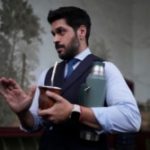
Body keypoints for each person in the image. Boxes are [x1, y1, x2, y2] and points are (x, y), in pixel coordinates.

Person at [0, 6, 141, 150]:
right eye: (53, 34)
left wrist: (73, 112)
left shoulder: (106, 69)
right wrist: (22, 113)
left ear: (81, 32)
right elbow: (35, 124)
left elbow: (131, 118)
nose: (55, 39)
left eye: (61, 31)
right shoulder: (47, 74)